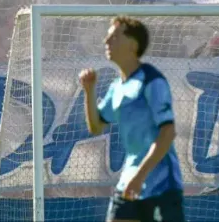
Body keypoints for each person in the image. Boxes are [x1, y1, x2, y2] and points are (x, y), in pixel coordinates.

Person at [79, 17, 184, 222]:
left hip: (161, 185)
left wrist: (140, 176)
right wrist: (89, 90)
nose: (107, 41)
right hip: (129, 181)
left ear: (133, 45)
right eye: (107, 37)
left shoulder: (152, 80)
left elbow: (168, 133)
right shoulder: (116, 87)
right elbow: (96, 126)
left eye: (115, 36)